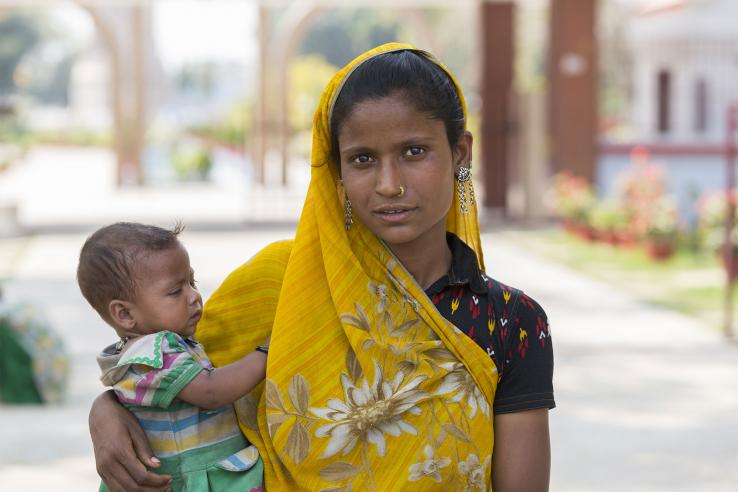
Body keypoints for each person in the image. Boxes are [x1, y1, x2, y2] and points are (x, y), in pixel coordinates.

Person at [88, 43, 554, 492]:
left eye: (414, 151)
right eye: (362, 159)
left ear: (460, 153)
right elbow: (159, 368)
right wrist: (106, 409)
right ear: (335, 169)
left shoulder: (510, 322)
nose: (389, 185)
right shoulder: (281, 283)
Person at [77, 222, 266, 491]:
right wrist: (266, 354)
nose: (194, 297)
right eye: (176, 291)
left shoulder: (156, 346)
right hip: (193, 479)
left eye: (192, 282)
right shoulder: (152, 354)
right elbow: (211, 391)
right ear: (125, 314)